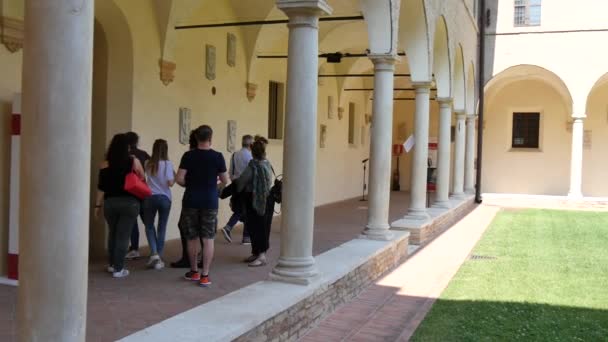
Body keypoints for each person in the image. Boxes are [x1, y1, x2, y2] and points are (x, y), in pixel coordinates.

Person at [176, 125, 228, 287]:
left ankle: (194, 271)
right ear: (210, 138)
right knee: (208, 238)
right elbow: (225, 179)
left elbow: (179, 178)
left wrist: (190, 185)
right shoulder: (218, 157)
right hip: (210, 201)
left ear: (197, 138)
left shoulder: (188, 156)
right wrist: (215, 188)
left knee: (192, 237)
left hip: (191, 199)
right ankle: (205, 275)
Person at [94, 133, 145, 278]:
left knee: (113, 234)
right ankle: (119, 269)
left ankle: (112, 265)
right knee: (123, 235)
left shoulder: (104, 164)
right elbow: (142, 177)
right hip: (129, 202)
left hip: (110, 203)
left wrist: (97, 206)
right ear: (127, 147)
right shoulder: (133, 161)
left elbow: (101, 187)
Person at [235, 137, 275, 267]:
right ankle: (257, 253)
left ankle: (261, 256)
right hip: (267, 199)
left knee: (256, 228)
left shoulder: (253, 166)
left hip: (254, 200)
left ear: (252, 152)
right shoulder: (267, 164)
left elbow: (241, 183)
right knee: (263, 227)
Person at [143, 139, 175, 270]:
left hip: (150, 197)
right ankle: (159, 258)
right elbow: (170, 183)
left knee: (149, 226)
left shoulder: (147, 163)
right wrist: (173, 173)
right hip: (165, 198)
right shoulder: (168, 164)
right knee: (162, 227)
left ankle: (154, 253)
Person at [220, 134, 254, 244]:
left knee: (241, 210)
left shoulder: (235, 155)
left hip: (236, 186)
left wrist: (235, 181)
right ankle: (233, 230)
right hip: (247, 187)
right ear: (251, 145)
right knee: (246, 211)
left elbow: (230, 172)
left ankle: (245, 236)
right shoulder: (251, 157)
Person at [125, 131, 150, 260]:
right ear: (136, 141)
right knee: (147, 221)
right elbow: (152, 169)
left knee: (133, 221)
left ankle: (134, 248)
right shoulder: (143, 154)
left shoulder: (125, 155)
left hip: (129, 192)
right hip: (142, 190)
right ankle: (155, 248)